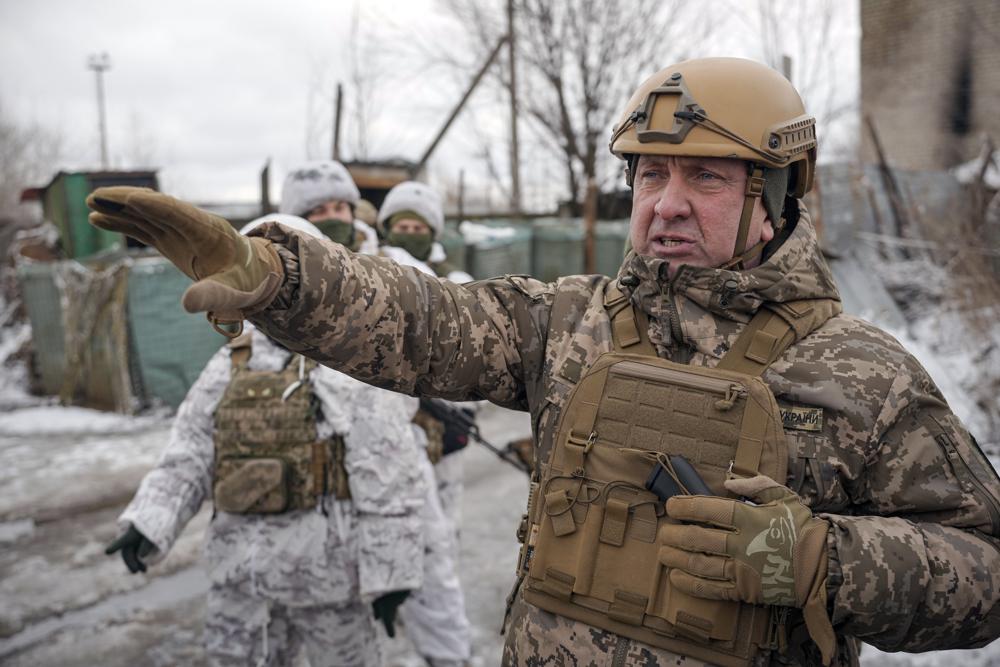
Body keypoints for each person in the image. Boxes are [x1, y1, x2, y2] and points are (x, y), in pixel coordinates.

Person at [89, 57, 1000, 667]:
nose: (666, 205)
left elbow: (984, 570)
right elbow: (417, 319)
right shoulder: (571, 322)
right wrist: (276, 276)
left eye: (707, 178)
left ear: (776, 200)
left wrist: (819, 559)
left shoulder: (863, 373)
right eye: (650, 175)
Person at [105, 215, 426, 667]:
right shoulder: (232, 361)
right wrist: (149, 520)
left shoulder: (345, 364)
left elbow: (388, 471)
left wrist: (391, 575)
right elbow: (191, 451)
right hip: (241, 579)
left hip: (326, 580)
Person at [377, 181, 475, 666]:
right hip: (391, 431)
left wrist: (460, 421)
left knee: (441, 539)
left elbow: (474, 360)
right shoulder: (374, 272)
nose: (410, 233)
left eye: (419, 226)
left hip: (443, 436)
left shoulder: (454, 282)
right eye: (402, 225)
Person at [279, 159, 378, 254]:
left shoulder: (386, 263)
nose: (333, 217)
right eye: (319, 211)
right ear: (297, 220)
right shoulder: (279, 268)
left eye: (339, 208)